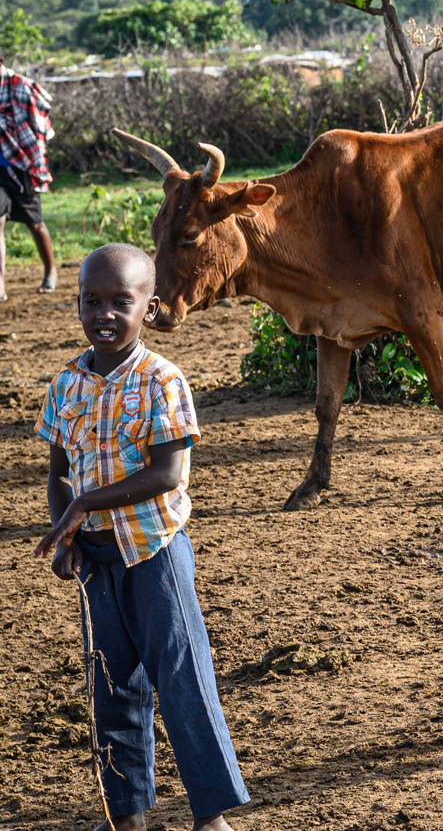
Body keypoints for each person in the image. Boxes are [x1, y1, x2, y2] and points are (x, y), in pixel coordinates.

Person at [32, 243, 249, 831]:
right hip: (96, 560)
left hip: (155, 552)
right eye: (90, 301)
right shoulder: (67, 385)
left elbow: (167, 474)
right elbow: (57, 472)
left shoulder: (162, 380)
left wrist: (82, 505)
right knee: (111, 685)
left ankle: (213, 816)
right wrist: (68, 534)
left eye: (119, 302)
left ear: (148, 309)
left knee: (182, 679)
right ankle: (126, 813)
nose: (103, 313)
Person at [0, 46, 58, 301]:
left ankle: (51, 270)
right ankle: (0, 283)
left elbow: (40, 125)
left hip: (19, 166)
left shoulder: (20, 86)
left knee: (35, 223)